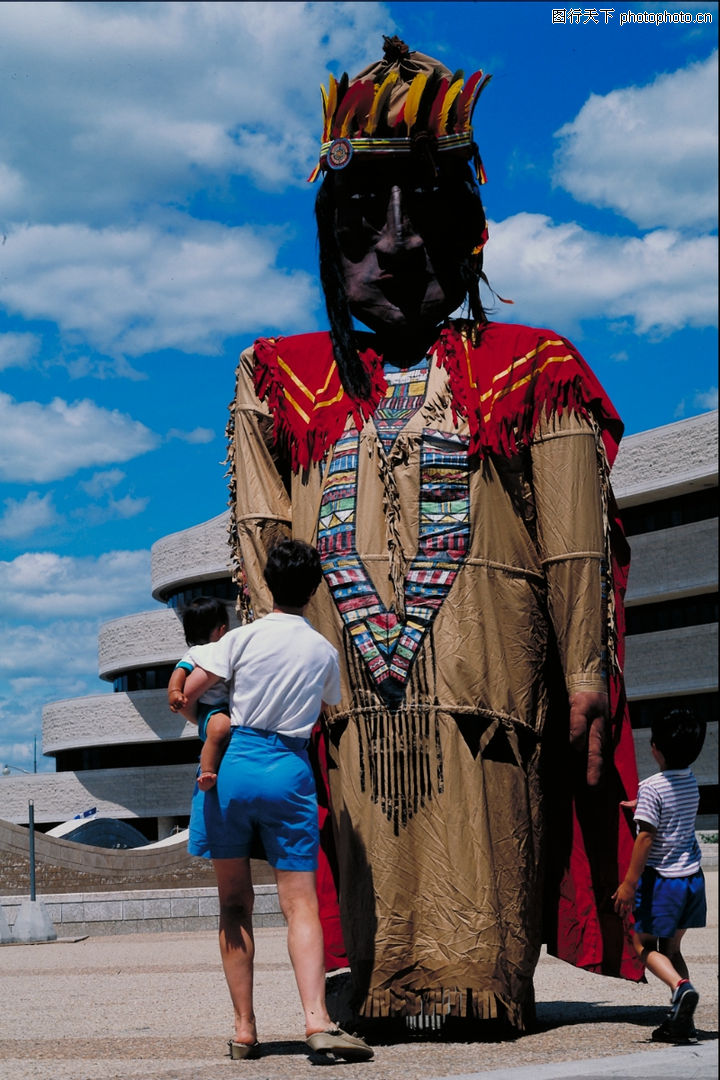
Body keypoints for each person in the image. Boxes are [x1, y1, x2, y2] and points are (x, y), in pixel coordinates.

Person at [226, 36, 641, 1033]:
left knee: (485, 832)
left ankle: (484, 989)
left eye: (426, 216)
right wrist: (258, 676)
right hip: (341, 687)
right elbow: (259, 531)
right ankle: (371, 986)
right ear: (332, 240)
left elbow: (576, 534)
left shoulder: (533, 365)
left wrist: (586, 669)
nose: (401, 246)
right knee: (363, 838)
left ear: (468, 235)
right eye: (368, 220)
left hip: (496, 679)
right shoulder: (278, 374)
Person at [183, 540, 373, 1062]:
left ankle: (245, 1030)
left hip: (233, 766)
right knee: (301, 904)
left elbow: (192, 690)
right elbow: (330, 700)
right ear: (315, 589)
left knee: (233, 903)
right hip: (288, 768)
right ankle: (317, 1020)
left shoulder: (241, 637)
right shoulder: (322, 651)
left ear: (266, 581)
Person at [613, 707, 707, 1042]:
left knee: (641, 943)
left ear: (655, 748)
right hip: (693, 881)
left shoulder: (652, 787)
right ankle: (683, 1020)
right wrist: (645, 802)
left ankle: (680, 988)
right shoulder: (691, 779)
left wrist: (628, 884)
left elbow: (647, 838)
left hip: (664, 882)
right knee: (672, 949)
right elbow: (674, 802)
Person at [167, 596, 232, 791]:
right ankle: (207, 770)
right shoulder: (196, 653)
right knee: (221, 728)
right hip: (211, 709)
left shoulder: (221, 649)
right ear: (221, 629)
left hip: (224, 706)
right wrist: (175, 691)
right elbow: (180, 671)